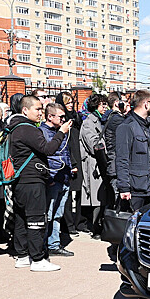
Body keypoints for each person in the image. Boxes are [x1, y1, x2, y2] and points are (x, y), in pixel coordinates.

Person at [9, 95, 72, 271]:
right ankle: (37, 259)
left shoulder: (16, 128)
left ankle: (22, 256)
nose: (40, 113)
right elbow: (48, 149)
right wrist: (62, 133)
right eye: (37, 109)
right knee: (36, 219)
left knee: (21, 218)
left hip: (21, 180)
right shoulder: (27, 129)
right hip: (32, 180)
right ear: (25, 110)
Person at [114, 90, 150, 211]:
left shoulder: (147, 127)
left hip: (148, 189)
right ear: (146, 104)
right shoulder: (127, 126)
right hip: (134, 191)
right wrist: (124, 187)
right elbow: (122, 159)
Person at [41, 102, 76, 257]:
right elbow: (48, 152)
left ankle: (54, 244)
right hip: (52, 176)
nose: (63, 119)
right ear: (50, 116)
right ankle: (42, 245)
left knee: (58, 213)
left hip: (63, 176)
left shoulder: (62, 131)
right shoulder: (43, 131)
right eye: (60, 117)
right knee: (48, 213)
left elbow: (65, 153)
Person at [55, 92, 85, 235]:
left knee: (79, 191)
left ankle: (79, 221)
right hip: (68, 159)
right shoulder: (61, 122)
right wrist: (72, 162)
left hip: (78, 156)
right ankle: (68, 224)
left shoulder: (76, 118)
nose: (71, 105)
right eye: (67, 103)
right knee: (66, 194)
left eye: (72, 102)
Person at [79, 94, 108, 235]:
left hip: (102, 163)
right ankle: (95, 227)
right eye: (103, 105)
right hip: (94, 164)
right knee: (97, 198)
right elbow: (93, 145)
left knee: (103, 196)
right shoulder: (89, 122)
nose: (105, 108)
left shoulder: (100, 120)